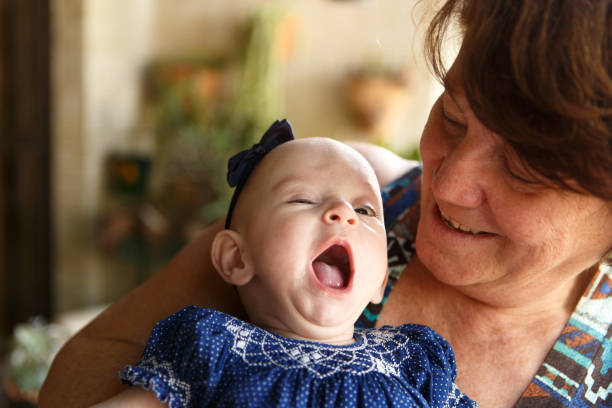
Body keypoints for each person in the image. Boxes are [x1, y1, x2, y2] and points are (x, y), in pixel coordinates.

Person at [40, 0, 612, 407]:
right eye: (453, 118)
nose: (449, 184)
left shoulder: (423, 364)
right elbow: (84, 367)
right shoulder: (341, 194)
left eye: (522, 172)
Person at [90, 120, 476, 408]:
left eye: (364, 209)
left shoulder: (412, 362)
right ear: (236, 258)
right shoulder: (215, 351)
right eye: (303, 200)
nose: (343, 213)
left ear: (381, 279)